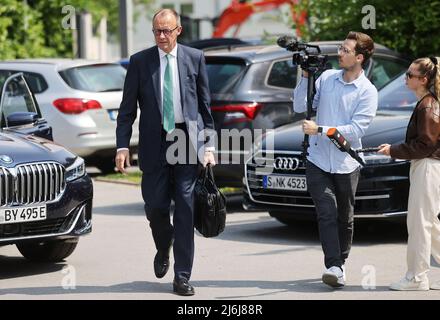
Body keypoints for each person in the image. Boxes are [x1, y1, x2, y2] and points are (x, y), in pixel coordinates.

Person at [115, 9, 216, 296]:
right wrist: (122, 145)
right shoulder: (139, 62)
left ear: (178, 30)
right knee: (155, 206)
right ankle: (164, 243)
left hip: (186, 139)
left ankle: (182, 276)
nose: (161, 36)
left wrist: (208, 146)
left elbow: (205, 108)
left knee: (185, 207)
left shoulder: (194, 59)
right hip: (154, 141)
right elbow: (126, 111)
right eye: (157, 31)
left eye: (166, 31)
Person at [293, 31, 378, 288]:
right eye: (341, 48)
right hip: (317, 158)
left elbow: (356, 130)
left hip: (346, 162)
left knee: (345, 217)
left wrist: (320, 129)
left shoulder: (367, 91)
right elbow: (301, 106)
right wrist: (305, 77)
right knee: (327, 212)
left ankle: (340, 261)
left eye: (346, 50)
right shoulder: (327, 77)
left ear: (359, 57)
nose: (339, 53)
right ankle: (333, 265)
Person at [378, 56, 440, 291]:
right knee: (429, 223)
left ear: (423, 79)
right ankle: (418, 276)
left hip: (428, 166)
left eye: (410, 75)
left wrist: (393, 150)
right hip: (428, 166)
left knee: (419, 224)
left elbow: (425, 144)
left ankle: (416, 278)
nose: (406, 78)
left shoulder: (428, 105)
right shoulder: (428, 102)